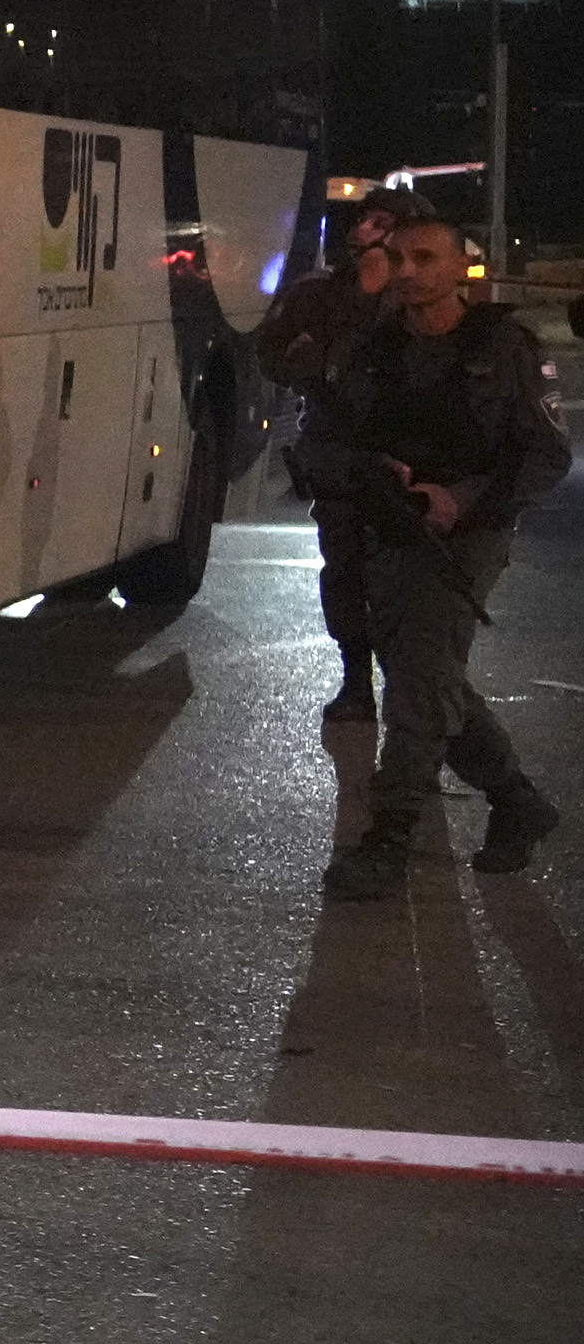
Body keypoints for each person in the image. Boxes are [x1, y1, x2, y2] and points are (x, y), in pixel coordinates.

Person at [293, 217, 566, 897]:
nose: (409, 270)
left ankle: (388, 837)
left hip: (468, 534)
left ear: (458, 267)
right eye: (399, 258)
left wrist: (459, 497)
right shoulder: (373, 350)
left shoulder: (503, 346)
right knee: (429, 671)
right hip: (391, 529)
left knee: (417, 680)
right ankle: (515, 798)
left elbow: (544, 452)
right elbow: (320, 440)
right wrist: (368, 473)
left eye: (425, 257)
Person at [258, 200, 406, 728]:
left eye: (382, 224)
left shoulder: (413, 299)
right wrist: (305, 362)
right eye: (364, 220)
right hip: (338, 459)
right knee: (343, 574)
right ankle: (355, 681)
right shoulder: (317, 293)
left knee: (404, 585)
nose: (364, 230)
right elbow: (272, 351)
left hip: (405, 463)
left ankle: (411, 688)